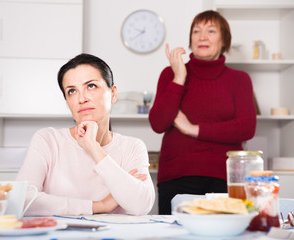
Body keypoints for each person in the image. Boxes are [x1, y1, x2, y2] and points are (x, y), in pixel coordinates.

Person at [16, 53, 155, 216]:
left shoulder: (132, 147)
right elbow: (23, 200)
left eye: (91, 86)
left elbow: (141, 206)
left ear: (113, 93)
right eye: (72, 91)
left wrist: (93, 148)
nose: (82, 99)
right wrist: (100, 206)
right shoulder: (48, 140)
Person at [149, 10, 256, 214]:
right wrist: (179, 78)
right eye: (196, 31)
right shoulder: (170, 74)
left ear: (224, 39)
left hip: (224, 179)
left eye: (211, 31)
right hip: (177, 178)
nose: (202, 36)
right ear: (190, 39)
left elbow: (246, 127)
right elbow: (158, 123)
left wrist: (193, 129)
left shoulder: (240, 79)